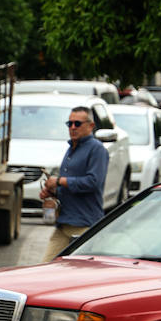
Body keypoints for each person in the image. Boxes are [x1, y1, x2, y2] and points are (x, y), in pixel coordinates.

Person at [40, 106, 109, 262]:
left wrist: (59, 181)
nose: (72, 127)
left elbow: (93, 182)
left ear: (91, 126)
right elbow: (68, 186)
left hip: (84, 225)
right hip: (64, 223)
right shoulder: (71, 148)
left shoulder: (97, 149)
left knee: (79, 273)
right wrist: (52, 192)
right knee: (46, 267)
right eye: (69, 123)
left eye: (77, 123)